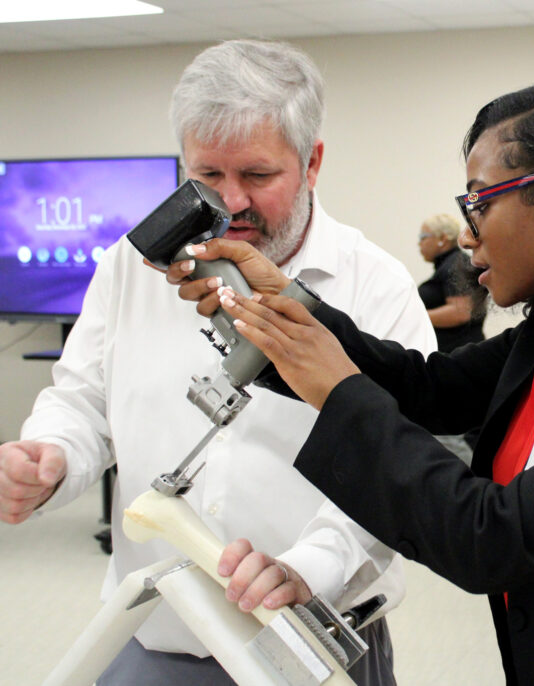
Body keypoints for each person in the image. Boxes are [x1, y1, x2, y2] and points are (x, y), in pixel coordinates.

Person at [172, 76, 534, 684]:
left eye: (479, 202)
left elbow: (494, 540)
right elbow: (429, 388)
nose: (466, 233)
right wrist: (288, 313)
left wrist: (337, 392)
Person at [0, 39, 436, 686]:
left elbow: (403, 464)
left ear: (312, 163)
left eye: (258, 177)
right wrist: (51, 455)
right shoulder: (132, 268)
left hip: (307, 643)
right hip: (153, 636)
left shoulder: (376, 288)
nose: (230, 203)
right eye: (207, 176)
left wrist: (308, 566)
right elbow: (83, 398)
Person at [416, 212, 487, 353]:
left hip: (460, 356)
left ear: (442, 238)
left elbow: (460, 312)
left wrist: (414, 316)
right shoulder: (451, 264)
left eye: (423, 237)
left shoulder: (456, 264)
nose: (419, 243)